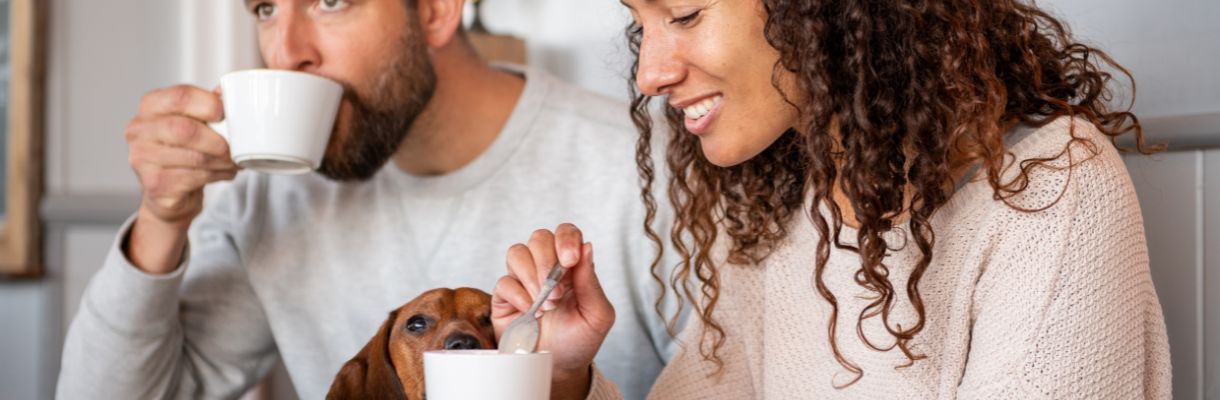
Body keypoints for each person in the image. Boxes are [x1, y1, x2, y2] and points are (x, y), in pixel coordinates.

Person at [492, 0, 1173, 398]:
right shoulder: (779, 209)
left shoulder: (1053, 187)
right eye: (641, 23)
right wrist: (564, 376)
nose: (650, 72)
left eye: (685, 13)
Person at [56, 0, 678, 399]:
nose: (287, 51)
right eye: (267, 8)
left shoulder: (649, 167)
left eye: (330, 1)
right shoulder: (268, 200)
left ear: (436, 11)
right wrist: (162, 219)